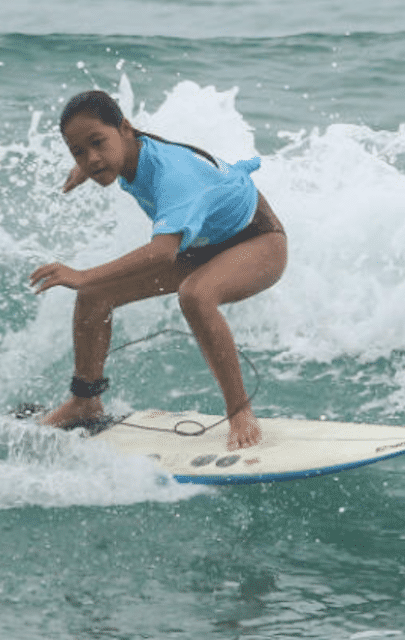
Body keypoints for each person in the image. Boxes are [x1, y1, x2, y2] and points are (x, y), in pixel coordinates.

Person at [29, 89, 287, 450]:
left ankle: (240, 410)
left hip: (256, 241)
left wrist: (82, 273)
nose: (92, 158)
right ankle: (85, 401)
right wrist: (88, 167)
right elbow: (104, 152)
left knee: (196, 294)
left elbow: (163, 253)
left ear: (125, 129)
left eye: (98, 143)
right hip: (202, 243)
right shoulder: (126, 153)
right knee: (95, 295)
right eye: (79, 152)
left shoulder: (172, 175)